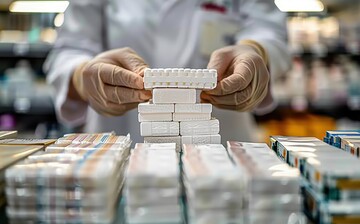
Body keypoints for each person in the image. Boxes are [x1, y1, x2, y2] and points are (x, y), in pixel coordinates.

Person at [45, 0, 291, 144]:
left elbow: (269, 29)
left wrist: (256, 50)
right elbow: (69, 49)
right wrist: (82, 76)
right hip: (122, 140)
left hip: (222, 140)